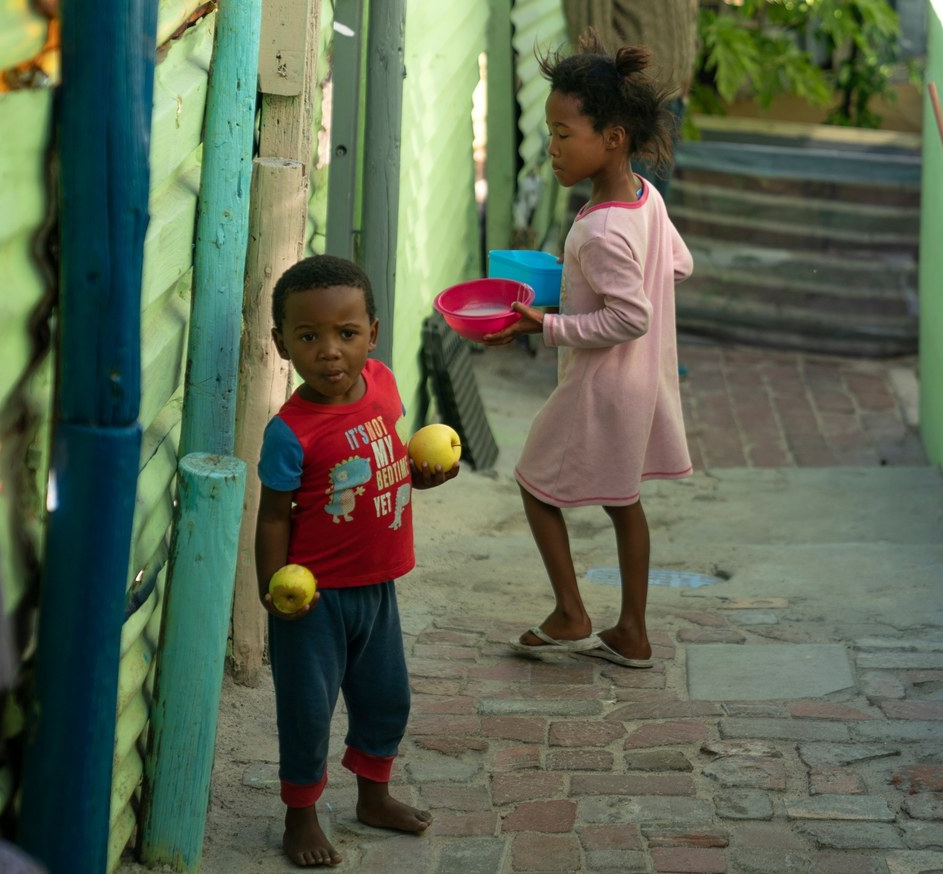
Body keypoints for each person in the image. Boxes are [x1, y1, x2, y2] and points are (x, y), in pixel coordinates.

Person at [483, 32, 693, 669]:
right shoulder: (643, 200)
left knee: (534, 484)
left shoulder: (600, 227)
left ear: (613, 138)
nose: (551, 146)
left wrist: (547, 323)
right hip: (643, 383)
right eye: (551, 131)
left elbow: (629, 316)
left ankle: (572, 613)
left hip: (600, 387)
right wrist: (585, 281)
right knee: (623, 502)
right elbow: (677, 264)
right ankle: (633, 630)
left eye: (563, 132)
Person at [255, 254, 458, 867]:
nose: (329, 352)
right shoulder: (290, 431)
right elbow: (272, 517)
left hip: (378, 586)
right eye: (308, 336)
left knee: (386, 697)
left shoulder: (386, 385)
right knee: (308, 711)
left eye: (346, 334)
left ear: (372, 332)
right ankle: (302, 817)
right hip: (313, 600)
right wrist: (273, 591)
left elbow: (385, 467)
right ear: (281, 343)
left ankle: (374, 796)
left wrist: (420, 477)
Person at [562, 0, 699, 200]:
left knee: (654, 214)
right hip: (629, 106)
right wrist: (617, 91)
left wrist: (688, 66)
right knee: (627, 216)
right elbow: (590, 32)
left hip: (671, 100)